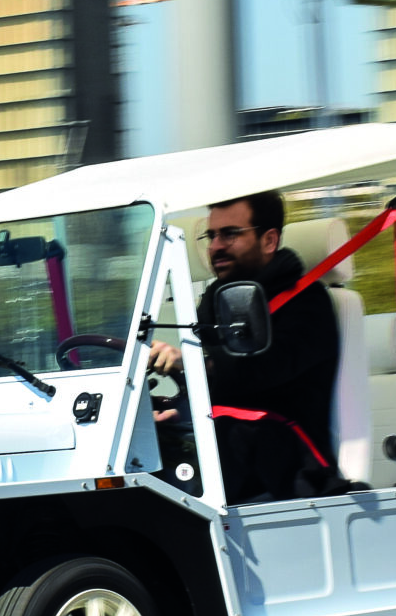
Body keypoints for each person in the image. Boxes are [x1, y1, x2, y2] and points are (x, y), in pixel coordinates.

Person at [147, 190, 345, 503]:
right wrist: (173, 412)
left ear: (269, 240)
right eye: (211, 236)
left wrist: (185, 364)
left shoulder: (308, 302)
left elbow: (263, 369)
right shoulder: (214, 299)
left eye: (230, 234)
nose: (215, 247)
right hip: (234, 450)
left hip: (291, 461)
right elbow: (209, 387)